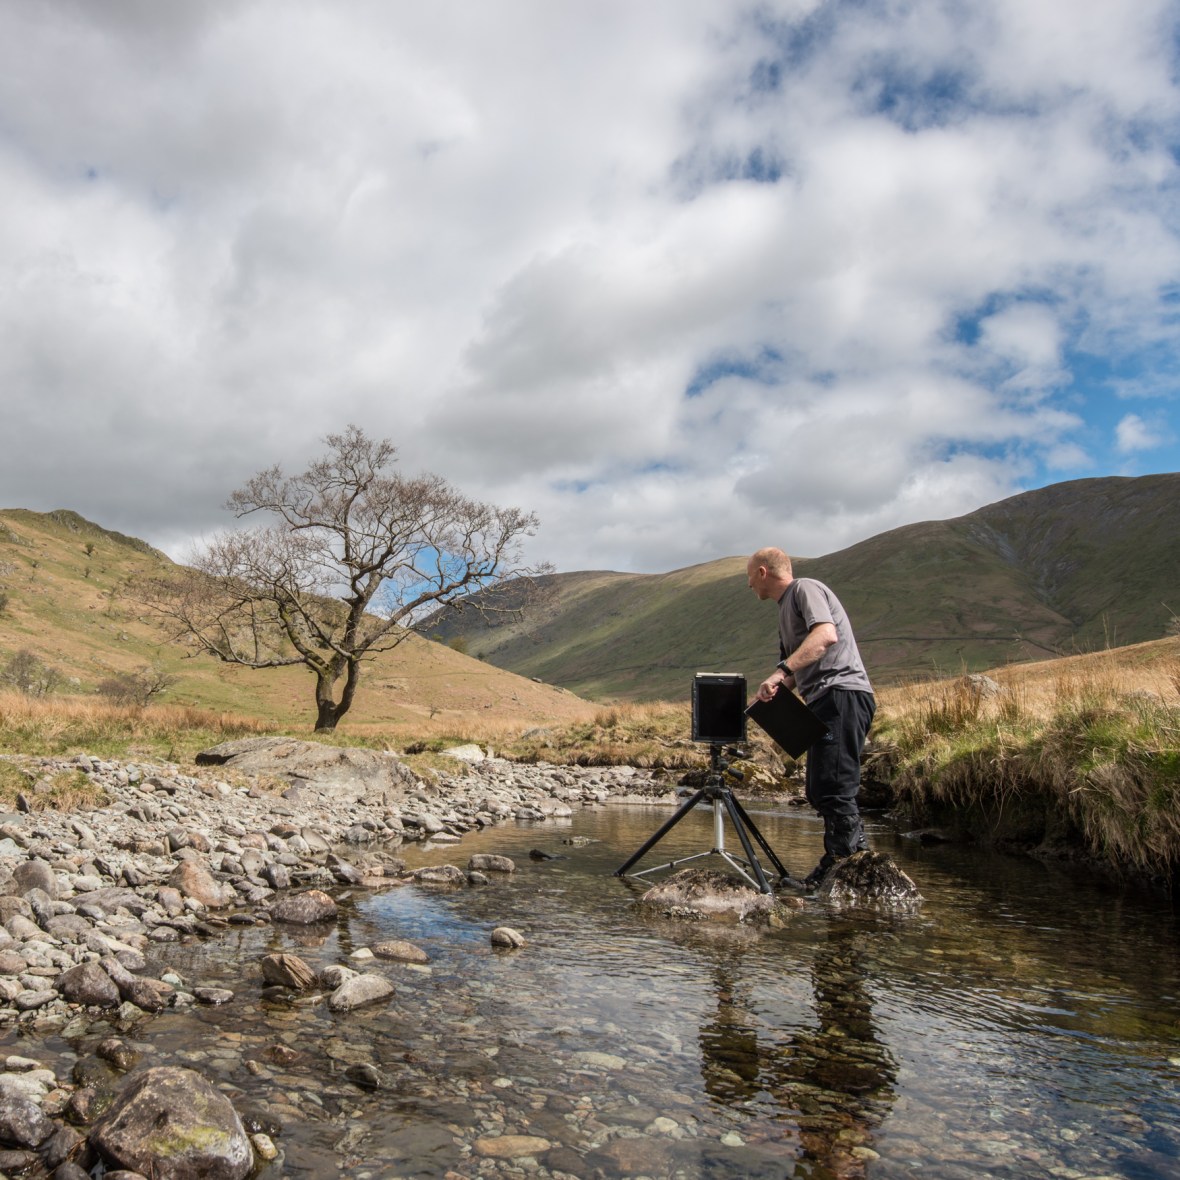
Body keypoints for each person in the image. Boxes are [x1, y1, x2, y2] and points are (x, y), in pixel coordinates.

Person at [747, 547, 875, 888]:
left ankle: (840, 867)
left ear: (762, 572)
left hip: (842, 694)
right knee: (819, 789)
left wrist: (780, 672)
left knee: (834, 786)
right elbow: (795, 667)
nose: (749, 586)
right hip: (822, 699)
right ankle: (853, 857)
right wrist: (773, 688)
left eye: (749, 577)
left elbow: (825, 636)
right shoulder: (784, 611)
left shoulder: (804, 589)